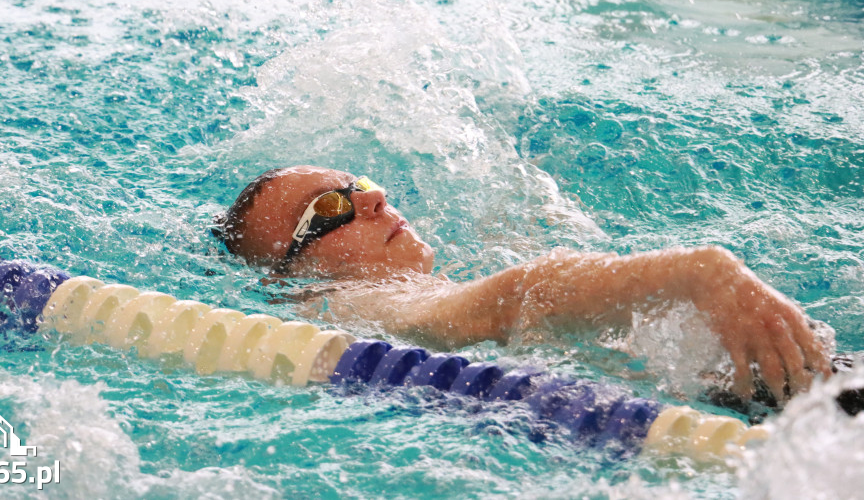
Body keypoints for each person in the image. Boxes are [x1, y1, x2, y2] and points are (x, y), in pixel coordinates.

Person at [213, 165, 838, 406]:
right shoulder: (341, 303)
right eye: (328, 208)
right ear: (294, 271)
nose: (372, 198)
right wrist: (701, 272)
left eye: (357, 184)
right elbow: (511, 303)